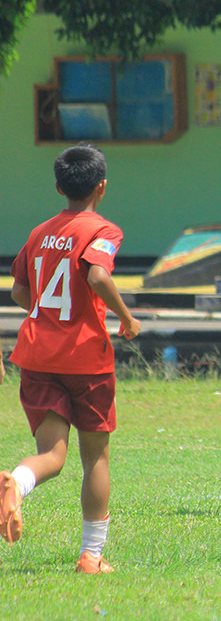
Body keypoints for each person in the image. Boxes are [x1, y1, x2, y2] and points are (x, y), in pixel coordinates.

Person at [0, 144, 142, 574]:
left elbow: (20, 291)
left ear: (60, 186)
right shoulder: (103, 230)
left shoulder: (40, 232)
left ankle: (16, 484)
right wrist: (127, 317)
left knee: (51, 455)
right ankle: (91, 556)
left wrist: (46, 317)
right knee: (95, 456)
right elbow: (97, 274)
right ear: (102, 187)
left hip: (38, 353)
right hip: (85, 357)